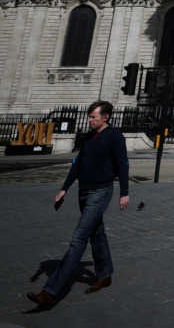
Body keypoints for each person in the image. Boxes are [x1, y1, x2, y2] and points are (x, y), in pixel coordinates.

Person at [27, 100, 129, 307]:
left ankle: (51, 292)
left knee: (78, 238)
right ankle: (105, 274)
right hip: (84, 192)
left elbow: (122, 163)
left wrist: (124, 192)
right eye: (89, 116)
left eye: (94, 117)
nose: (90, 120)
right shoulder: (89, 137)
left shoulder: (115, 136)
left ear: (106, 117)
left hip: (101, 191)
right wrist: (65, 188)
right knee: (96, 233)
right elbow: (77, 164)